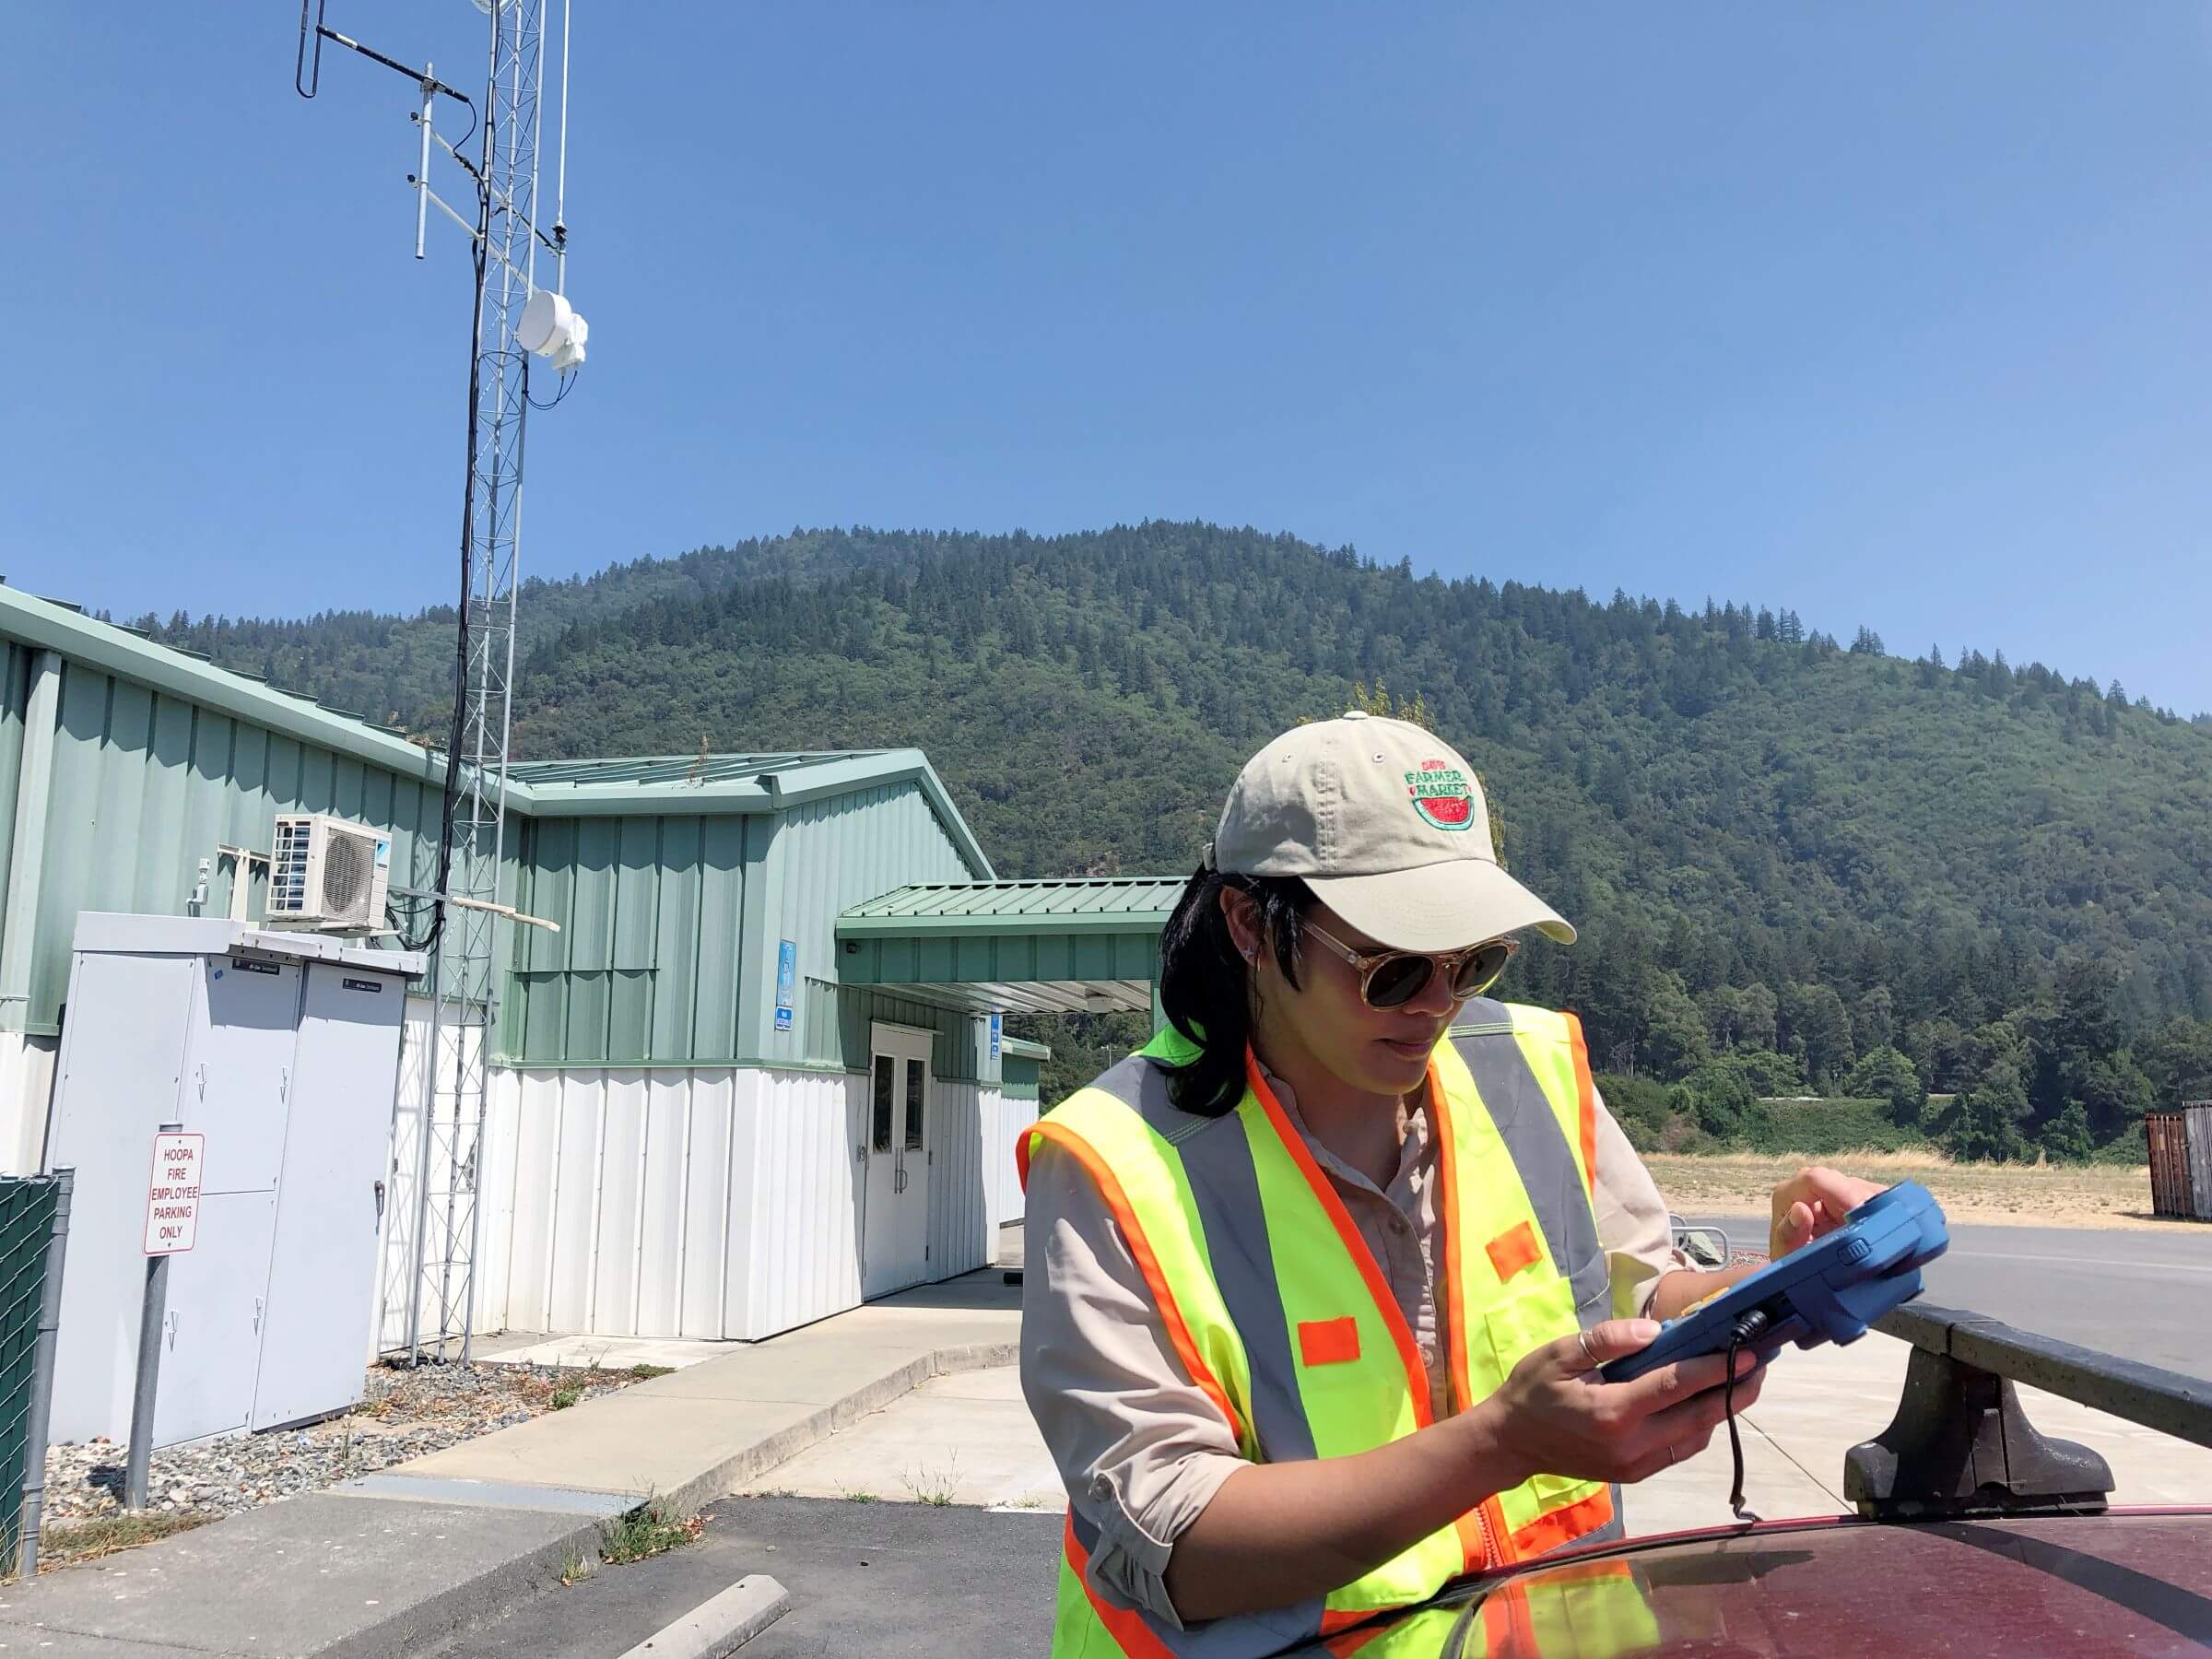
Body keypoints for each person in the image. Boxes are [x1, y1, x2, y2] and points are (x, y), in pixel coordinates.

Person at [1018, 712, 1882, 1657]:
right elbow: (1173, 1550)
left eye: (1472, 962)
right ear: (1250, 926)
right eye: (1390, 970)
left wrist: (1767, 1285)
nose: (1436, 1002)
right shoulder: (1113, 1158)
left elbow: (1632, 1288)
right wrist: (1503, 1446)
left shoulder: (1531, 1068)